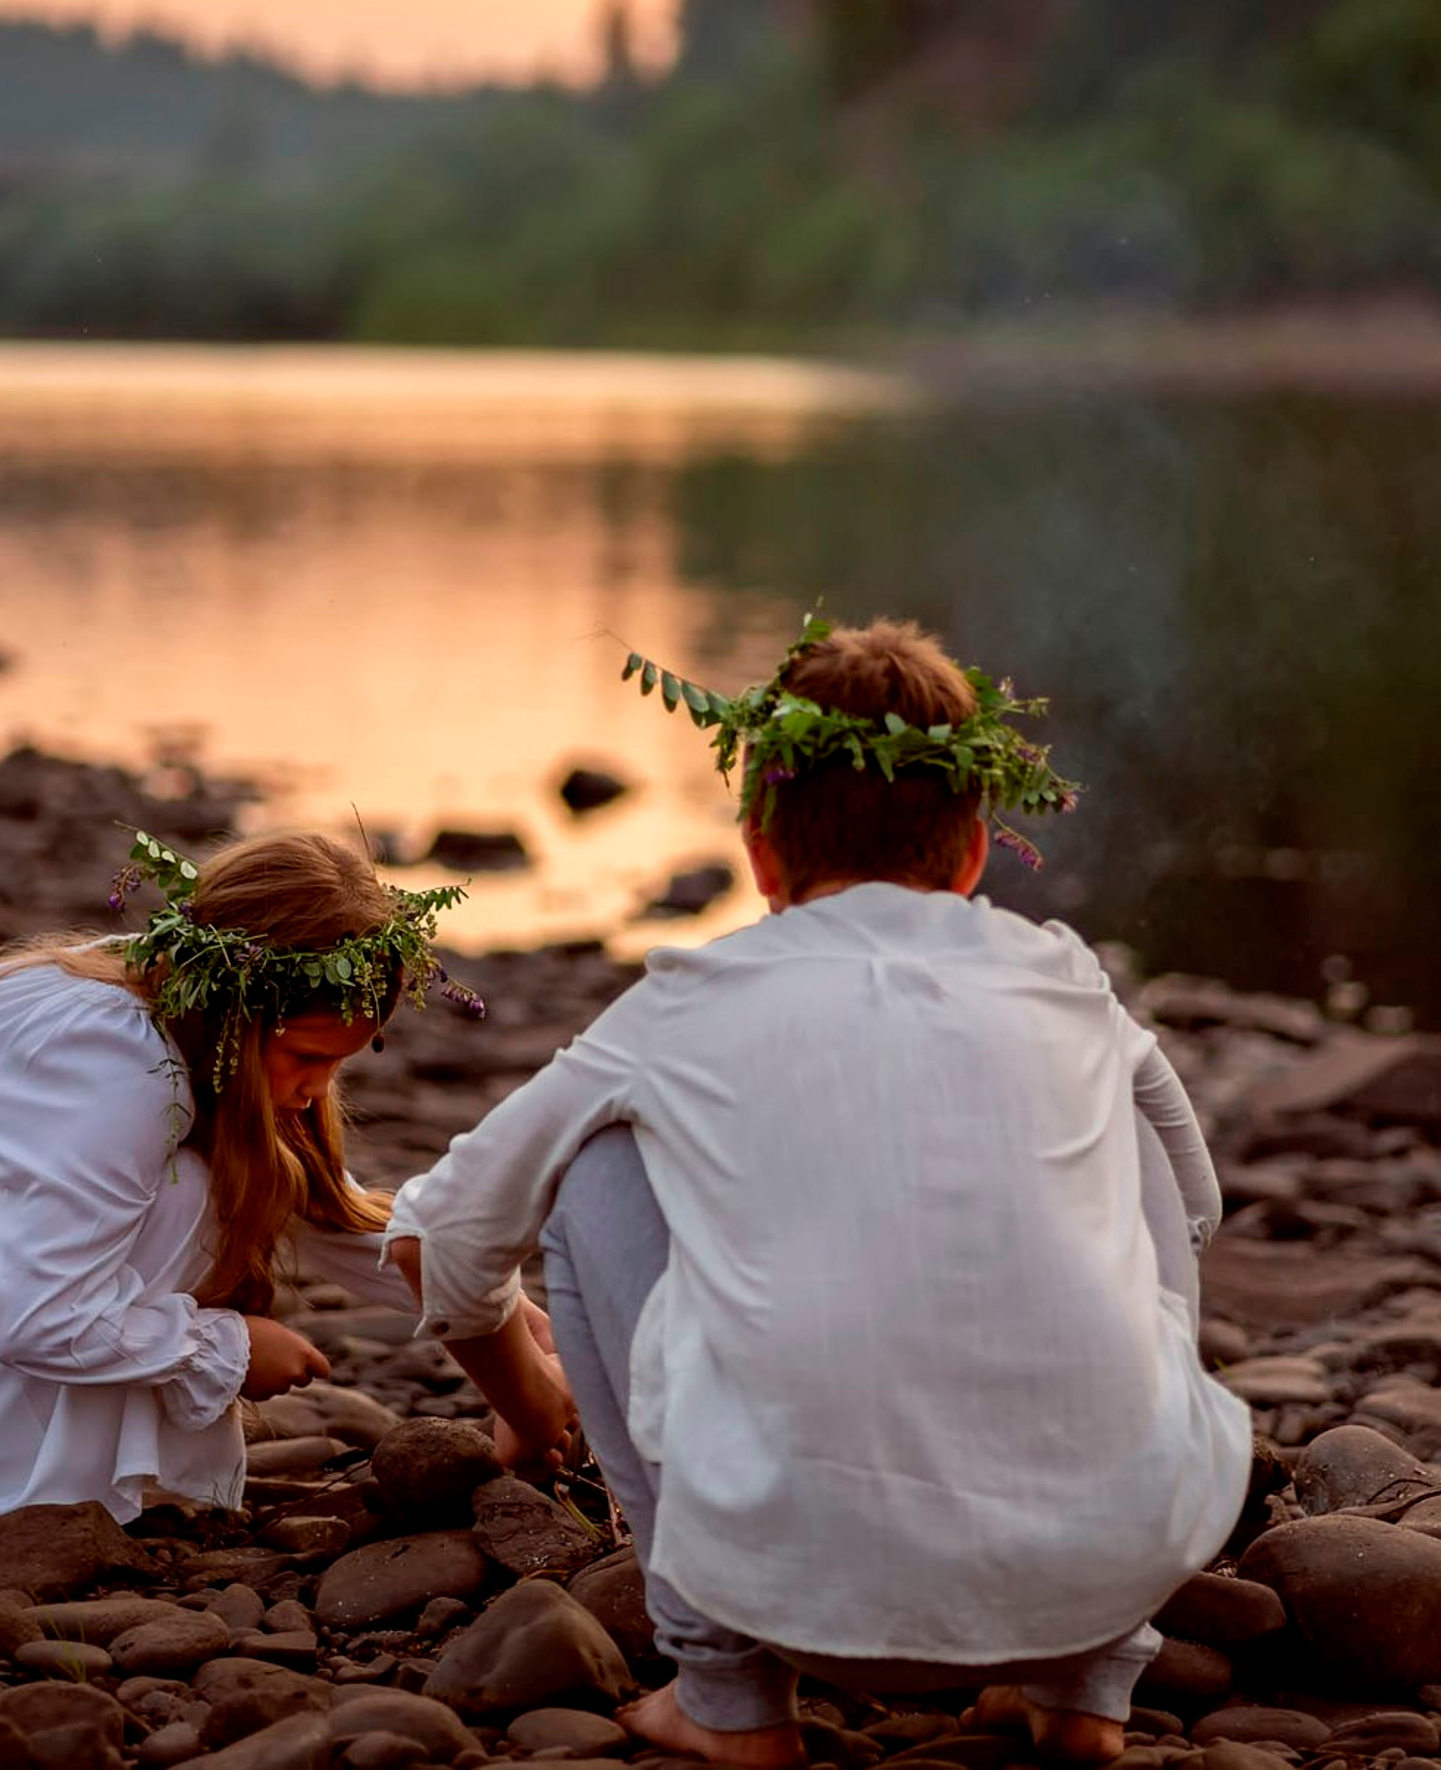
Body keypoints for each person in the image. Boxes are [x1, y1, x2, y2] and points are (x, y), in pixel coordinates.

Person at [384, 617, 1251, 1769]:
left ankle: (727, 1697)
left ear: (759, 851)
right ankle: (1091, 1684)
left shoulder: (688, 999)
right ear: (975, 850)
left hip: (786, 1583)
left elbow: (441, 1232)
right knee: (1136, 1137)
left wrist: (533, 1407)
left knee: (593, 1161)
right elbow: (1197, 1206)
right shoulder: (1067, 981)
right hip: (1102, 1570)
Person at [0, 828, 553, 1530]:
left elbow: (312, 1209)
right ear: (238, 1007)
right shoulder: (119, 1064)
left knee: (209, 1182)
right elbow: (41, 1316)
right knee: (189, 1197)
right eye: (306, 1058)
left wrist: (504, 1315)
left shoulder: (174, 1006)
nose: (314, 1090)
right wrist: (224, 1349)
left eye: (337, 1065)